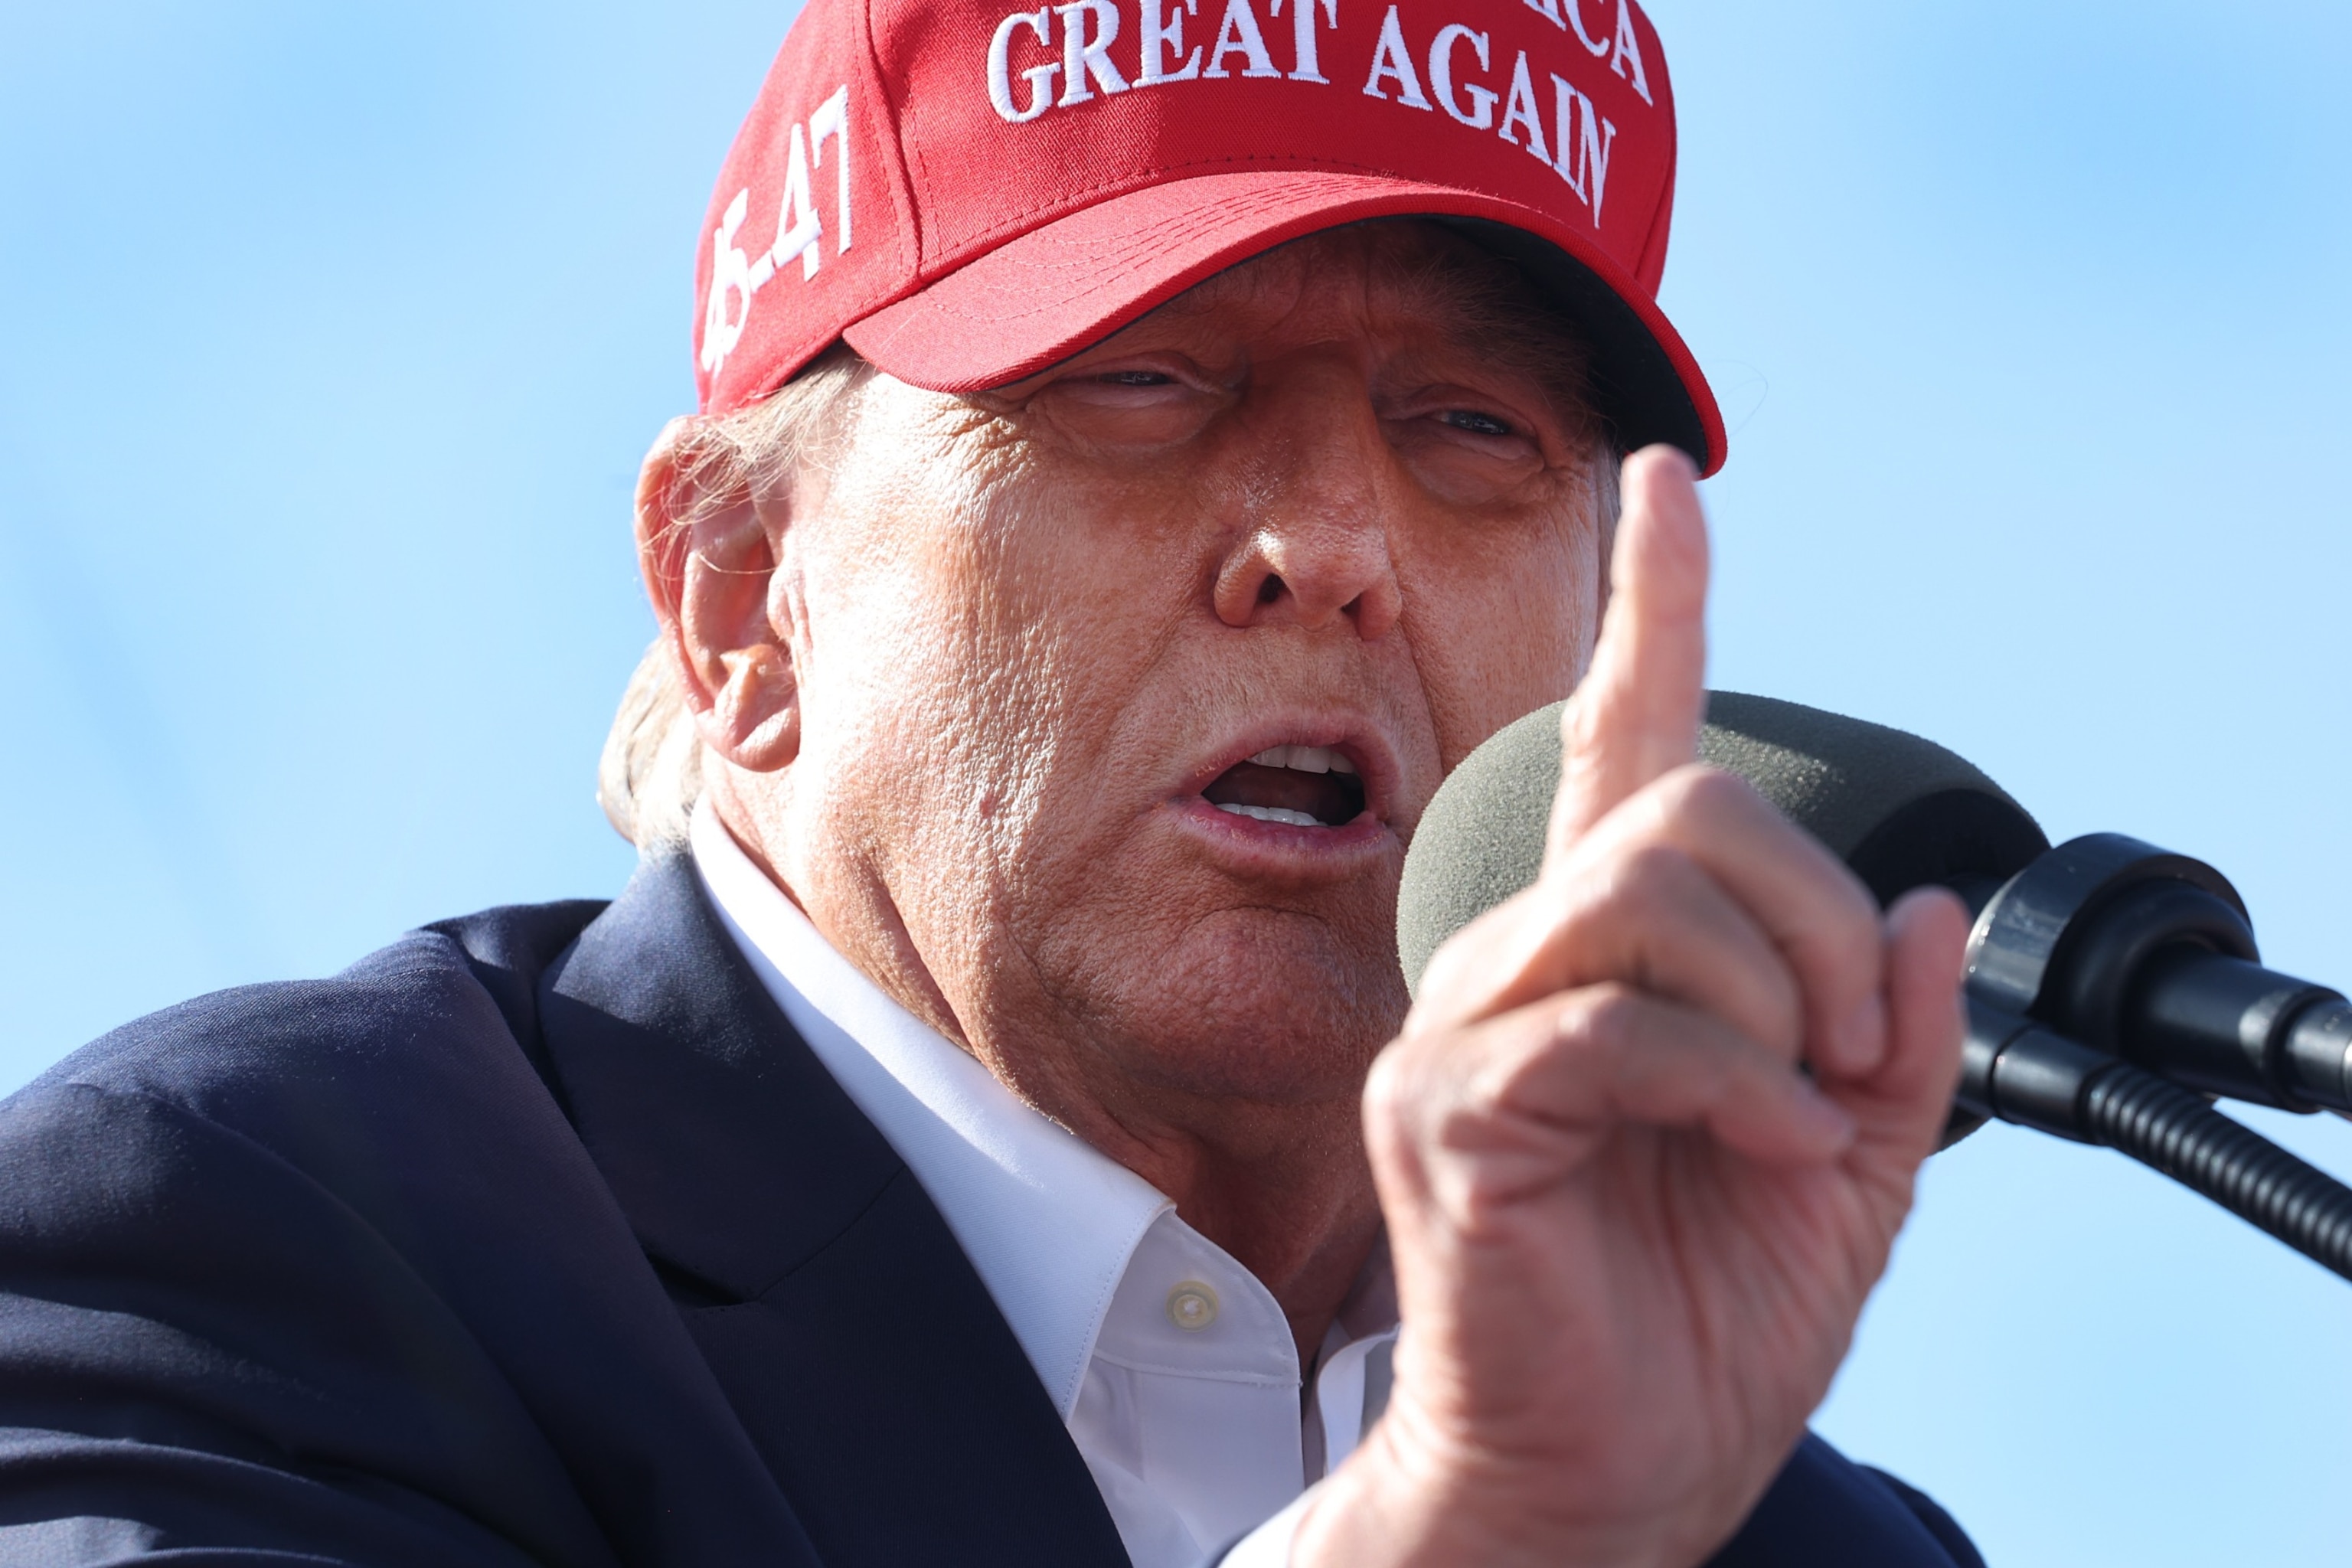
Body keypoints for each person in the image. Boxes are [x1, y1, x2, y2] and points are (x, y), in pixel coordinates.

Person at [0, 1, 1984, 1563]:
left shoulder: (1805, 1539)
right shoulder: (234, 1249)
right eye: (1138, 379)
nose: (1333, 537)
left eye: (1469, 424)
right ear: (740, 593)